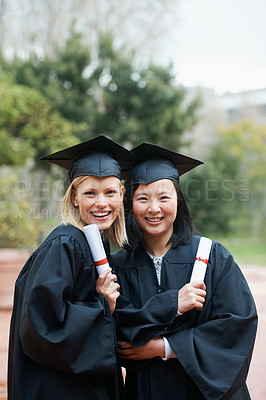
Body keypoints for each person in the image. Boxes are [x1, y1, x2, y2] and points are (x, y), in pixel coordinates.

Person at [113, 142, 258, 400]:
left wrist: (165, 347)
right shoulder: (119, 266)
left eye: (164, 197)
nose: (153, 209)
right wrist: (172, 305)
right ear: (130, 204)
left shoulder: (212, 256)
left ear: (178, 200)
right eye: (142, 198)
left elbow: (236, 325)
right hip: (147, 390)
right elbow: (117, 330)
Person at [7, 135, 138, 400]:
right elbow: (41, 323)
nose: (102, 203)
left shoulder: (92, 243)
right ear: (75, 197)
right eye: (90, 193)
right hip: (61, 389)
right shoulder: (66, 244)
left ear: (122, 195)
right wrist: (102, 305)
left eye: (110, 192)